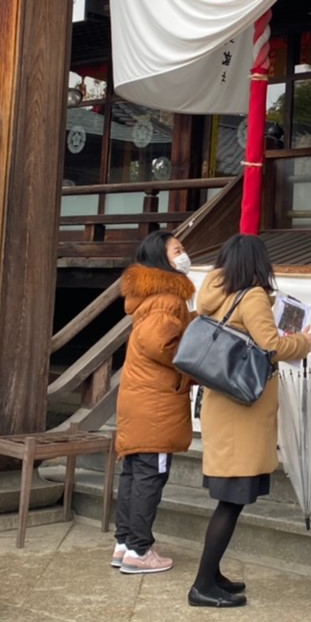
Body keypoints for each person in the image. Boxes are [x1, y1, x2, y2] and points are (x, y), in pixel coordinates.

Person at [190, 234, 311, 607]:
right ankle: (202, 585)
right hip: (241, 411)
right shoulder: (252, 295)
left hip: (221, 405)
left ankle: (212, 575)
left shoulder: (213, 292)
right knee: (231, 500)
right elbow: (271, 346)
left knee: (231, 495)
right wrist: (305, 342)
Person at [111, 230, 196, 576]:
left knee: (134, 473)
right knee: (150, 475)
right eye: (177, 250)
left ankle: (125, 543)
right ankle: (140, 549)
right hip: (156, 402)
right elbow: (160, 344)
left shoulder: (148, 298)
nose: (184, 254)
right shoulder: (168, 298)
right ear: (163, 260)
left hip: (138, 397)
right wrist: (194, 358)